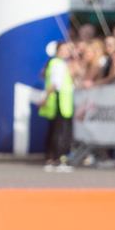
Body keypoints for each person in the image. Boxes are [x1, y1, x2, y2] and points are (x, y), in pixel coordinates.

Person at [41, 40, 75, 172]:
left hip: (58, 101)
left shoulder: (54, 63)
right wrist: (45, 97)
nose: (67, 52)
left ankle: (51, 158)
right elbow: (55, 84)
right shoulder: (59, 64)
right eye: (64, 49)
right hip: (60, 102)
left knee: (54, 130)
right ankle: (57, 158)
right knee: (59, 131)